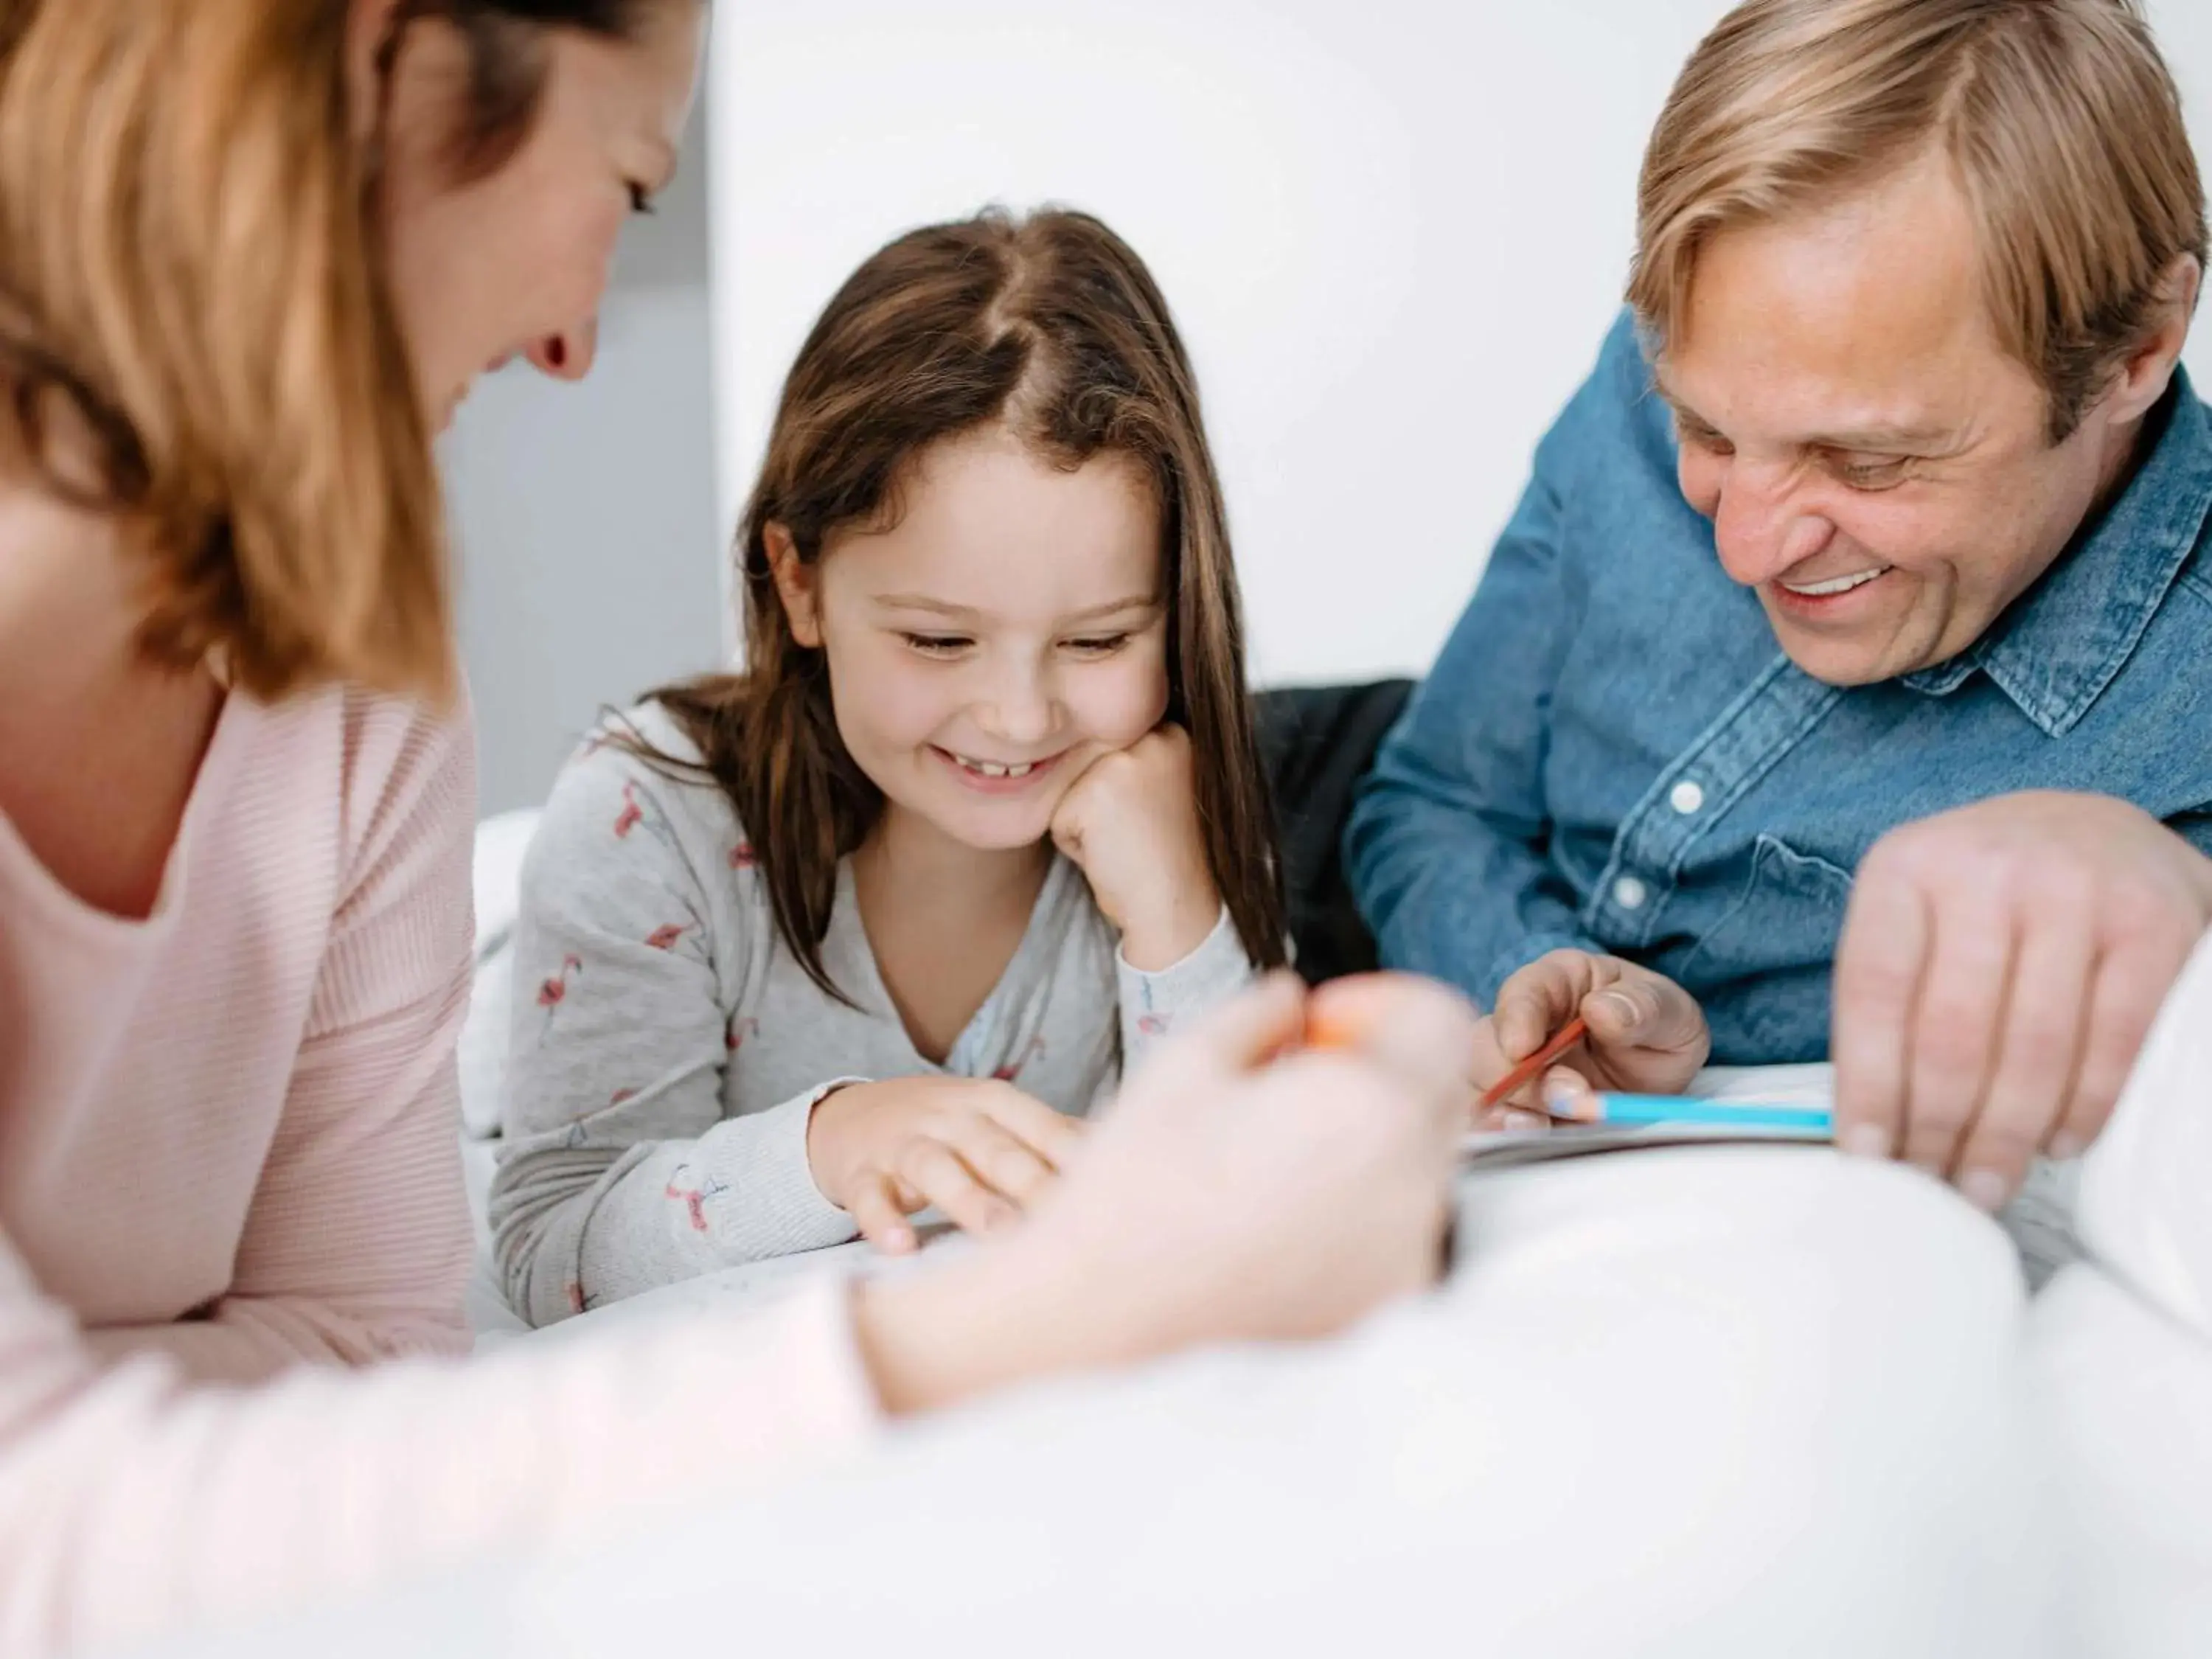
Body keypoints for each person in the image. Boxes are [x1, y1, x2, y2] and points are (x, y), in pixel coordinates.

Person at [0, 3, 1478, 1652]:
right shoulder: (648, 809)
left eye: (1088, 642)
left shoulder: (366, 691)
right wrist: (989, 1267)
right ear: (383, 67)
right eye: (632, 187)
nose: (575, 344)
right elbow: (514, 1259)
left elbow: (366, 1357)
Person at [1349, 0, 2212, 1213]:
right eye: (1704, 429)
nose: (1746, 545)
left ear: (2138, 349)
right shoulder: (1661, 365)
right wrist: (1525, 984)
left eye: (1868, 462)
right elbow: (1431, 802)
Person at [490, 208, 1281, 1322]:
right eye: (939, 640)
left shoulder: (1163, 811)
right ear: (799, 582)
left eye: (1097, 640)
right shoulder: (643, 820)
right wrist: (834, 1143)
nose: (1017, 718)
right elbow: (548, 1245)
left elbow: (1251, 1204)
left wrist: (1178, 918)